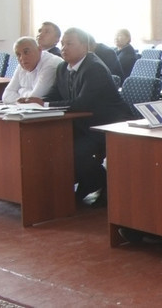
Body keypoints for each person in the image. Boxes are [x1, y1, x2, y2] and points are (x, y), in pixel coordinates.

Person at [26, 27, 134, 204]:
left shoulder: (94, 68)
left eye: (69, 44)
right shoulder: (62, 67)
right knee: (51, 143)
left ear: (84, 46)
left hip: (106, 124)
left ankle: (98, 179)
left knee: (72, 149)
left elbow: (82, 103)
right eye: (62, 44)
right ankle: (85, 182)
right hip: (82, 123)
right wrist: (35, 102)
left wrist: (44, 105)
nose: (63, 48)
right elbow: (55, 95)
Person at [2, 36, 63, 104]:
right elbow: (6, 96)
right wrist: (24, 97)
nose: (22, 58)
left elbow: (35, 98)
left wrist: (20, 91)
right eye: (18, 54)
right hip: (26, 109)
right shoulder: (21, 66)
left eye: (26, 52)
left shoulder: (50, 64)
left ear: (39, 50)